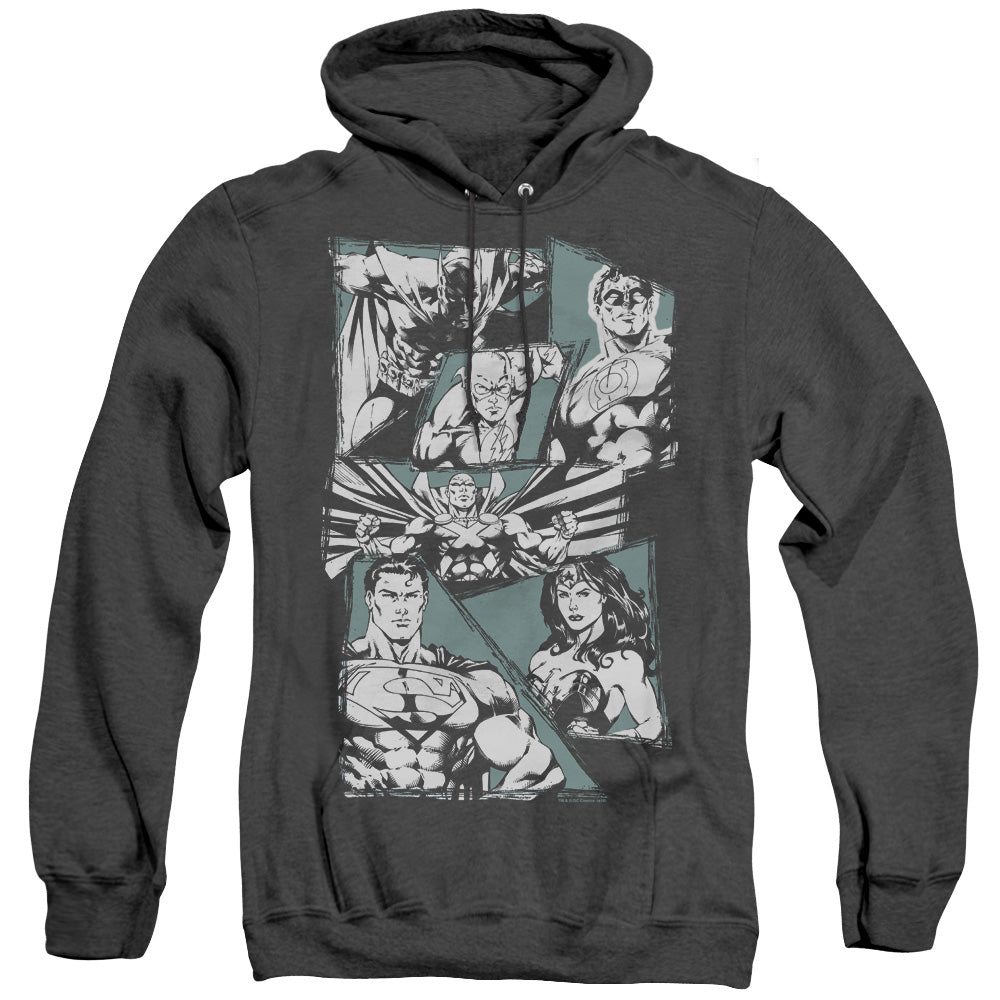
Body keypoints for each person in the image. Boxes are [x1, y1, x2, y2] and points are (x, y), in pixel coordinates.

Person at [337, 554, 564, 796]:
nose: (401, 608)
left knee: (499, 729)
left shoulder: (467, 673)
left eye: (411, 596)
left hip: (455, 808)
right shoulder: (340, 665)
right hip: (364, 805)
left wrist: (492, 807)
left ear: (424, 600)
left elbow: (536, 757)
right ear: (370, 599)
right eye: (389, 595)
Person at [550, 265, 676, 469]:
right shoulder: (581, 381)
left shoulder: (671, 347)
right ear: (598, 310)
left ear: (651, 305)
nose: (626, 304)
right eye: (614, 297)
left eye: (636, 295)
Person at [528, 557, 664, 740]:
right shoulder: (543, 657)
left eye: (583, 593)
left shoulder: (624, 661)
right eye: (563, 594)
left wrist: (605, 742)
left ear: (604, 595)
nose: (572, 605)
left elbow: (652, 724)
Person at [355, 471, 578, 583]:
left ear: (476, 491)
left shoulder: (504, 521)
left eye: (468, 485)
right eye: (456, 485)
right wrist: (367, 541)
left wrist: (563, 536)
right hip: (447, 585)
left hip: (492, 588)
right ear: (447, 493)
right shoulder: (427, 524)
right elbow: (396, 550)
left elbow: (537, 548)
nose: (462, 489)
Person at [414, 345, 564, 467]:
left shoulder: (528, 390)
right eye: (483, 388)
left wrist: (560, 370)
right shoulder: (457, 400)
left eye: (503, 387)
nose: (494, 399)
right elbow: (428, 440)